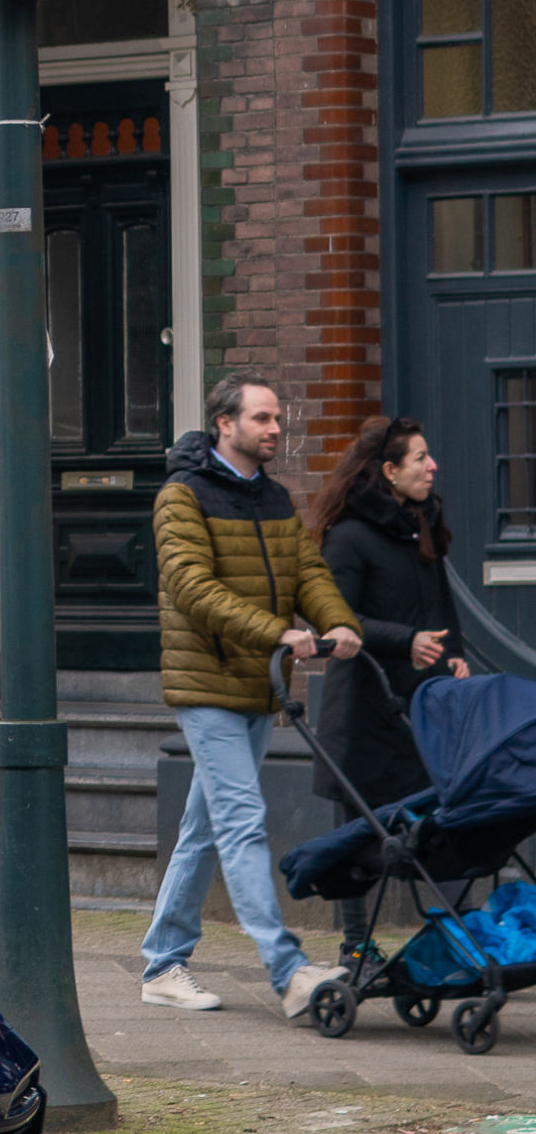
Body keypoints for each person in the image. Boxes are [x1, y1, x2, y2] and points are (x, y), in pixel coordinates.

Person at [138, 370, 362, 1019]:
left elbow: (306, 570)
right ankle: (288, 971)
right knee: (241, 822)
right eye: (263, 418)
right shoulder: (181, 496)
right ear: (225, 424)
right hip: (206, 683)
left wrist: (337, 621)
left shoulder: (274, 497)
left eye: (277, 419)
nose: (275, 429)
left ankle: (161, 963)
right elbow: (192, 589)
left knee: (203, 829)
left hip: (259, 685)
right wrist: (282, 633)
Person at [308, 417, 471, 973]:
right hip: (366, 711)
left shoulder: (420, 522)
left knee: (446, 823)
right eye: (420, 458)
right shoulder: (350, 536)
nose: (433, 466)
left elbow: (441, 605)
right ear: (389, 471)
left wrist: (455, 657)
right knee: (359, 835)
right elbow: (335, 617)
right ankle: (356, 948)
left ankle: (456, 936)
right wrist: (406, 642)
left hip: (423, 711)